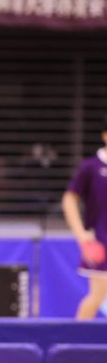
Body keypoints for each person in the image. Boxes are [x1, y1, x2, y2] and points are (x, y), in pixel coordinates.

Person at [62, 117, 107, 319]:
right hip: (100, 242)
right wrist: (81, 235)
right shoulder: (91, 167)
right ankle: (76, 343)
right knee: (97, 296)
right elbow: (69, 199)